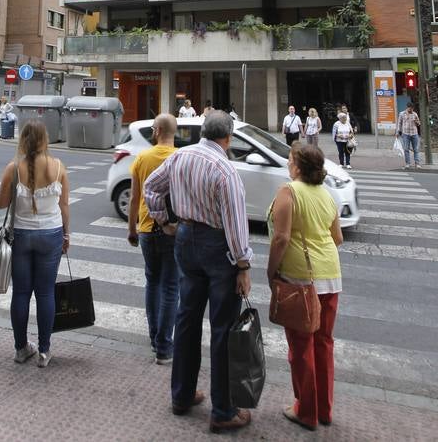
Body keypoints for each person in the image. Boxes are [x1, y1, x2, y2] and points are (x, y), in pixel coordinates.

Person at [144, 110, 253, 434]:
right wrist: (243, 265)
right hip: (217, 247)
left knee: (187, 319)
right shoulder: (225, 169)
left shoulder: (181, 156)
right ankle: (223, 410)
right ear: (228, 138)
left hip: (185, 237)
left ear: (203, 131)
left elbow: (151, 186)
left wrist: (164, 221)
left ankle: (182, 395)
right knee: (223, 328)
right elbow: (235, 224)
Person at [267, 143, 343, 430]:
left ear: (298, 167)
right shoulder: (327, 194)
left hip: (301, 278)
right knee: (323, 342)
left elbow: (281, 238)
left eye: (290, 160)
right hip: (331, 276)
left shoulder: (289, 192)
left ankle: (306, 411)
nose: (288, 164)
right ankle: (324, 409)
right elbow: (337, 238)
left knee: (301, 346)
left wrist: (271, 271)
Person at [0, 120, 70, 367]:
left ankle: (21, 349)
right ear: (44, 139)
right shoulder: (58, 166)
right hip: (51, 234)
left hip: (21, 235)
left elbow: (1, 203)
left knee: (21, 293)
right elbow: (64, 205)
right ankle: (44, 351)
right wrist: (67, 235)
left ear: (23, 140)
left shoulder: (13, 168)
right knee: (46, 292)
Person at [128, 113, 179, 365]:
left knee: (153, 281)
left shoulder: (142, 158)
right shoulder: (180, 158)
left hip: (147, 229)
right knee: (171, 287)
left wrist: (132, 229)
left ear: (157, 131)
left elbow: (134, 198)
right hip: (173, 230)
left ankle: (154, 337)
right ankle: (164, 347)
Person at [397, 101, 422, 169]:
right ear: (407, 107)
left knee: (416, 149)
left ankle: (417, 163)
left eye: (412, 108)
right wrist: (398, 132)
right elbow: (399, 123)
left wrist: (417, 122)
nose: (411, 110)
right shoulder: (402, 114)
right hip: (405, 134)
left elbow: (419, 124)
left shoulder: (415, 114)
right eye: (410, 108)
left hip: (414, 134)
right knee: (406, 149)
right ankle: (408, 163)